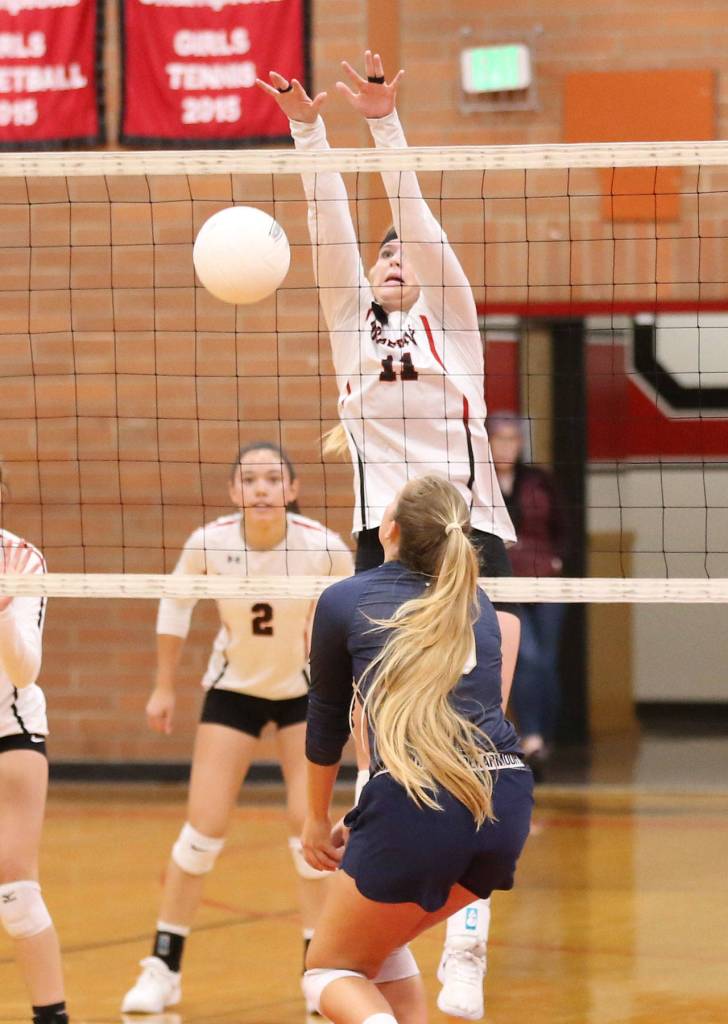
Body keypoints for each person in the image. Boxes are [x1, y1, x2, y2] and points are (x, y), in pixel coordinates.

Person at [257, 52, 520, 1019]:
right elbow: (329, 232)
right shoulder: (350, 328)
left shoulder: (454, 321)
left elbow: (419, 220)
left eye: (405, 250)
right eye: (383, 254)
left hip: (469, 535)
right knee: (385, 736)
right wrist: (307, 129)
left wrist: (383, 123)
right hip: (384, 548)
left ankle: (469, 942)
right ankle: (382, 869)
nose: (394, 256)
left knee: (473, 714)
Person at [121, 442, 354, 1015]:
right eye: (249, 480)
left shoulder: (323, 546)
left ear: (291, 489)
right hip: (234, 691)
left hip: (305, 694)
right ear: (233, 492)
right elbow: (175, 605)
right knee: (201, 834)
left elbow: (358, 614)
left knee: (311, 838)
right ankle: (163, 967)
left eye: (273, 478)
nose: (261, 489)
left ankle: (316, 972)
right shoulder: (209, 542)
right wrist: (163, 685)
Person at [300, 475, 533, 1024]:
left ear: (390, 530)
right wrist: (368, 820)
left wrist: (315, 819)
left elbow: (327, 720)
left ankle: (459, 958)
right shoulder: (477, 604)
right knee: (378, 948)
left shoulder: (343, 600)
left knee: (328, 970)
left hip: (419, 802)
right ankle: (465, 952)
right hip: (505, 800)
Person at [0, 474, 69, 1024]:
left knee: (16, 893)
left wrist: (2, 608)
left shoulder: (20, 558)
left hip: (10, 729)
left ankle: (52, 1017)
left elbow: (26, 670)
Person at [488, 413, 568, 775]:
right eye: (499, 438)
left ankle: (545, 738)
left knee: (547, 664)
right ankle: (530, 737)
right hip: (507, 582)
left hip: (547, 582)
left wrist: (558, 560)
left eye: (512, 439)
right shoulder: (480, 482)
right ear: (486, 442)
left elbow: (564, 526)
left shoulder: (538, 480)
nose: (506, 445)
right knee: (528, 657)